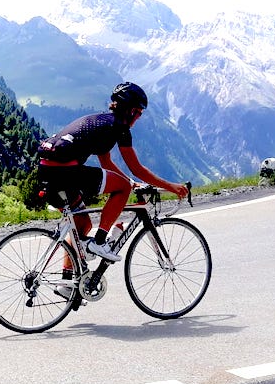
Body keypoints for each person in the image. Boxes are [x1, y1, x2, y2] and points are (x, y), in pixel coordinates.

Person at [37, 82, 189, 262]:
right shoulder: (119, 128)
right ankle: (100, 242)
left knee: (82, 224)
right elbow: (137, 168)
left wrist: (131, 182)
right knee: (122, 188)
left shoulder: (103, 123)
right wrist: (172, 187)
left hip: (46, 171)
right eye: (139, 112)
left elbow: (106, 162)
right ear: (131, 110)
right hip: (67, 172)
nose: (139, 117)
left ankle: (66, 284)